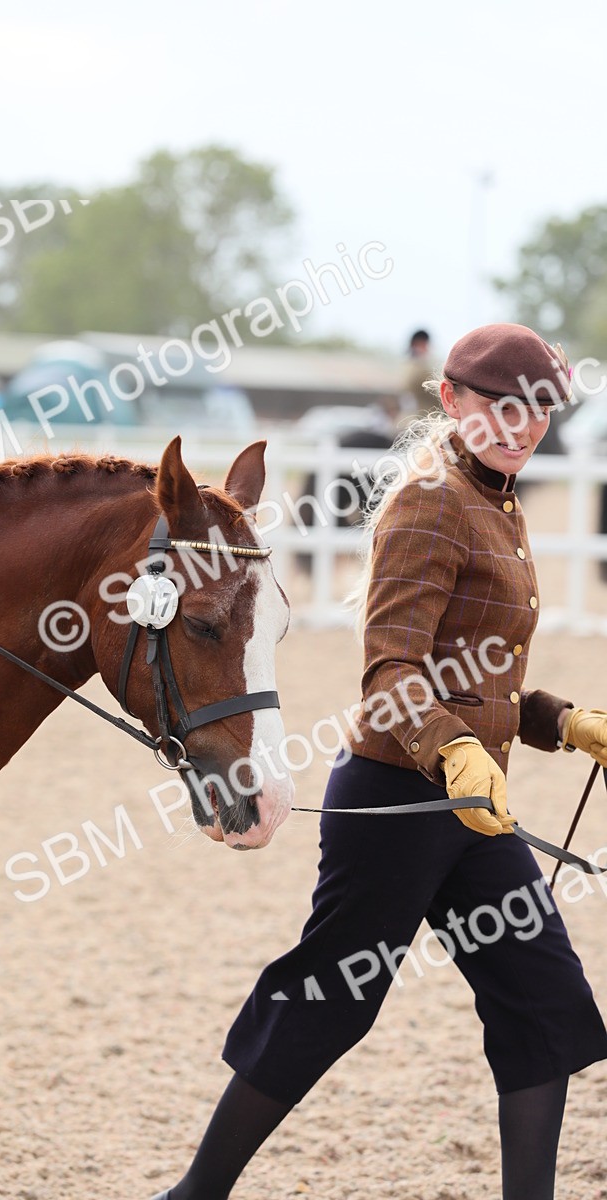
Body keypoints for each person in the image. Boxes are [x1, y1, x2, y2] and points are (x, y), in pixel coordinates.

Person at [150, 324, 607, 1200]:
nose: (522, 424)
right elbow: (390, 676)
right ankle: (195, 1194)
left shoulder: (499, 502)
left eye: (539, 409)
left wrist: (562, 720)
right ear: (451, 401)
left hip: (472, 809)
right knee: (330, 1001)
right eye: (500, 406)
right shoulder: (431, 501)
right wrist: (461, 752)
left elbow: (472, 669)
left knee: (543, 1000)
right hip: (397, 798)